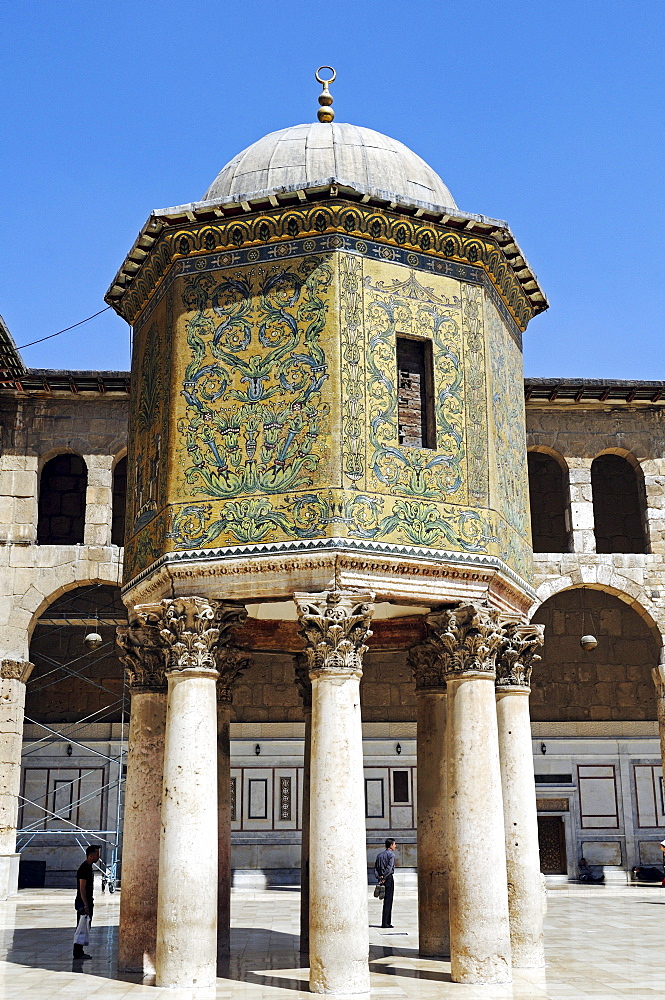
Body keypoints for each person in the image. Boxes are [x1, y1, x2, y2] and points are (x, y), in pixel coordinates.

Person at [73, 844, 100, 959]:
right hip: (83, 902)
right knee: (81, 926)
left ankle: (80, 950)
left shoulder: (88, 867)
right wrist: (85, 904)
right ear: (91, 856)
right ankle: (77, 951)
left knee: (85, 926)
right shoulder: (84, 868)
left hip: (87, 901)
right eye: (97, 854)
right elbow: (82, 887)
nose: (98, 857)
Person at [374, 838, 397, 928]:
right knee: (388, 900)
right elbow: (389, 868)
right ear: (391, 845)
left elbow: (376, 868)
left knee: (385, 900)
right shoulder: (391, 855)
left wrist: (379, 877)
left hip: (381, 878)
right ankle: (386, 923)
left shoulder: (379, 855)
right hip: (388, 879)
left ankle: (385, 921)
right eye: (394, 844)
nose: (395, 846)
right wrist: (385, 877)